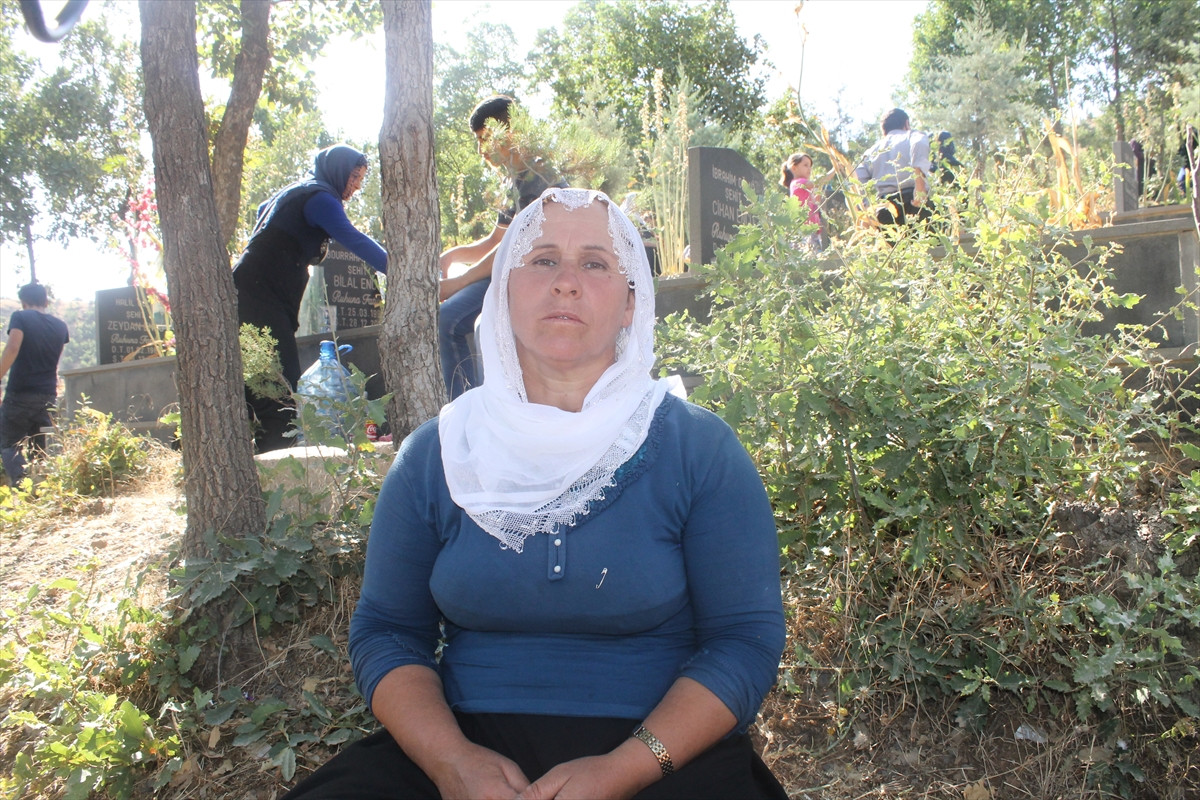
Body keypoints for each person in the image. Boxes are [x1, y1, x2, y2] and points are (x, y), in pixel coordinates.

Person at [282, 188, 788, 800]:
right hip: (463, 752)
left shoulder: (698, 449)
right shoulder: (438, 455)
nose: (566, 283)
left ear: (632, 302)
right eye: (543, 259)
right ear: (504, 288)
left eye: (595, 263)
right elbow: (387, 631)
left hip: (662, 755)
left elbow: (743, 639)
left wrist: (623, 770)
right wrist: (451, 762)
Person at [233, 144, 386, 452]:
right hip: (261, 299)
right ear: (337, 171)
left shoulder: (297, 192)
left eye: (361, 179)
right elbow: (353, 238)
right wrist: (401, 268)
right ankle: (276, 465)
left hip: (250, 294)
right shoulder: (320, 198)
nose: (356, 186)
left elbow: (263, 211)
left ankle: (260, 460)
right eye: (354, 176)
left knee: (259, 387)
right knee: (278, 391)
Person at [437, 94, 568, 400]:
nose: (481, 151)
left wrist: (459, 281)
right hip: (510, 270)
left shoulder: (539, 176)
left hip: (535, 274)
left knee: (448, 319)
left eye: (484, 139)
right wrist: (451, 256)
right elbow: (497, 239)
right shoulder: (514, 180)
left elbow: (514, 245)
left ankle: (467, 406)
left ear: (509, 132)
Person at [0, 282, 70, 483]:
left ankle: (22, 487)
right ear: (46, 301)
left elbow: (13, 348)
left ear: (23, 302)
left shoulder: (20, 317)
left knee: (9, 443)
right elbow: (56, 360)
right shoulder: (61, 326)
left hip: (20, 393)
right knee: (39, 447)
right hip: (48, 394)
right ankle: (42, 488)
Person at [852, 108, 932, 227]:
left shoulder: (871, 152)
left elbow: (856, 179)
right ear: (906, 123)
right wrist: (920, 188)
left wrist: (867, 211)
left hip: (885, 210)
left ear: (883, 130)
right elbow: (920, 143)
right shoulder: (911, 136)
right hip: (914, 203)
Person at [781, 152, 824, 250]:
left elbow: (815, 203)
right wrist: (834, 170)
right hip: (803, 231)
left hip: (812, 231)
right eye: (805, 165)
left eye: (810, 166)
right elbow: (818, 182)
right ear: (794, 168)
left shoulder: (807, 188)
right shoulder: (798, 183)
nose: (809, 169)